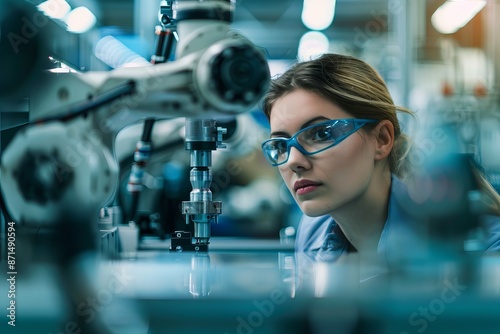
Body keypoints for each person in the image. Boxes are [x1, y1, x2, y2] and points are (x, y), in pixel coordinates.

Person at [260, 53, 500, 262]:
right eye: (280, 145)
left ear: (382, 139)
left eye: (321, 133)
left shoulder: (483, 251)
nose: (293, 161)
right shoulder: (313, 233)